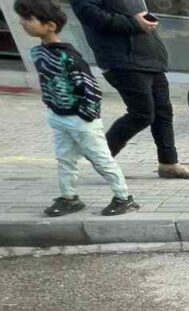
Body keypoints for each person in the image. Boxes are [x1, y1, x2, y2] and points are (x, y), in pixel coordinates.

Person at [15, 0, 138, 216]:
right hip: (58, 116)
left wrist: (85, 116)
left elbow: (91, 88)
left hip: (81, 119)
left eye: (28, 18)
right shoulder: (38, 53)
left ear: (50, 26)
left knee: (101, 160)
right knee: (65, 159)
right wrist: (52, 107)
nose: (22, 22)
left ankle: (123, 197)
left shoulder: (68, 56)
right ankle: (69, 197)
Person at [68, 0, 189, 179]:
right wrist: (133, 23)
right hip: (122, 60)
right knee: (142, 113)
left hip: (150, 57)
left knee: (163, 112)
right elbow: (91, 16)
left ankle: (169, 164)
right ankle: (100, 155)